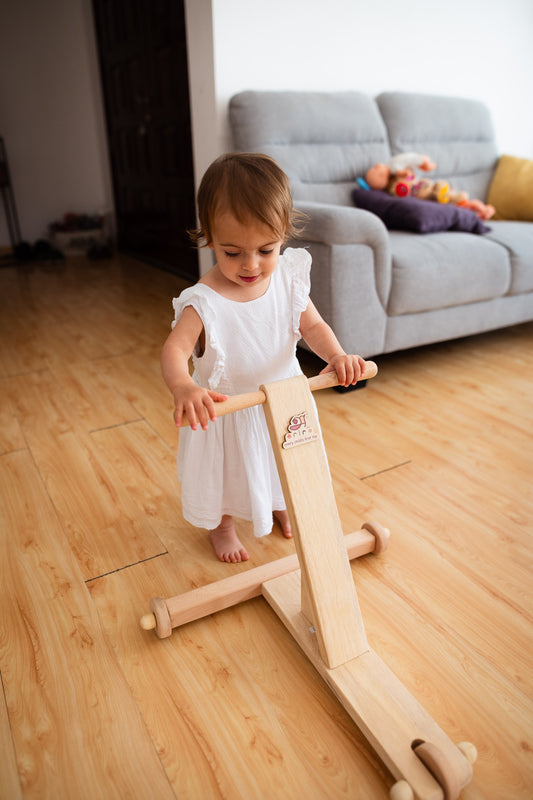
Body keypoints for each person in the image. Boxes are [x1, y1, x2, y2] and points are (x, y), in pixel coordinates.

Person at [161, 153, 367, 563]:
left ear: (283, 235)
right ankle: (222, 525)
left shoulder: (287, 279)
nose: (251, 265)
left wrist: (337, 355)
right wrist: (183, 386)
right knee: (227, 472)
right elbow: (175, 349)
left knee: (285, 460)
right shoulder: (203, 301)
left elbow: (313, 326)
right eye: (232, 252)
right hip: (228, 408)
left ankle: (278, 503)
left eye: (266, 249)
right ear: (210, 239)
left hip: (283, 397)